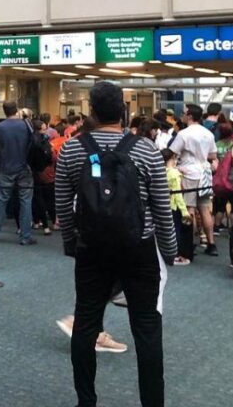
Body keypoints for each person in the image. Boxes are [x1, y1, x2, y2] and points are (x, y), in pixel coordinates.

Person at [55, 81, 176, 407]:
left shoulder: (72, 148)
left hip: (92, 248)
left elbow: (64, 204)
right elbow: (162, 207)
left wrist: (71, 242)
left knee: (86, 324)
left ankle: (86, 401)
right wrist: (169, 250)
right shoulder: (146, 149)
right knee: (147, 328)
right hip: (139, 247)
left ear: (91, 112)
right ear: (124, 111)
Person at [169, 104, 219, 256]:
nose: (183, 115)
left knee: (189, 209)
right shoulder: (208, 134)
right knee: (204, 209)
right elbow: (212, 156)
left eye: (184, 113)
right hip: (204, 173)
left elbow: (172, 152)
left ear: (190, 116)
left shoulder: (184, 134)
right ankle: (211, 244)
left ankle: (188, 244)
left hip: (189, 173)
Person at [0, 101, 36, 245]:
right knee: (26, 201)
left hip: (6, 167)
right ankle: (25, 236)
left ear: (4, 111)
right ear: (16, 110)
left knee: (1, 200)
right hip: (24, 167)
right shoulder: (26, 125)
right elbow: (32, 143)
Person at [162, 149, 193, 266]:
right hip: (173, 206)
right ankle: (175, 255)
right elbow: (178, 194)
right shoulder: (174, 174)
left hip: (163, 205)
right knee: (176, 231)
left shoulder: (160, 171)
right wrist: (185, 211)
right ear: (172, 158)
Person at [31, 119, 55, 236]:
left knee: (34, 198)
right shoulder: (44, 140)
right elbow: (50, 157)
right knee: (47, 198)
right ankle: (49, 224)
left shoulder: (30, 139)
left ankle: (36, 222)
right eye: (45, 128)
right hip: (44, 171)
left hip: (31, 171)